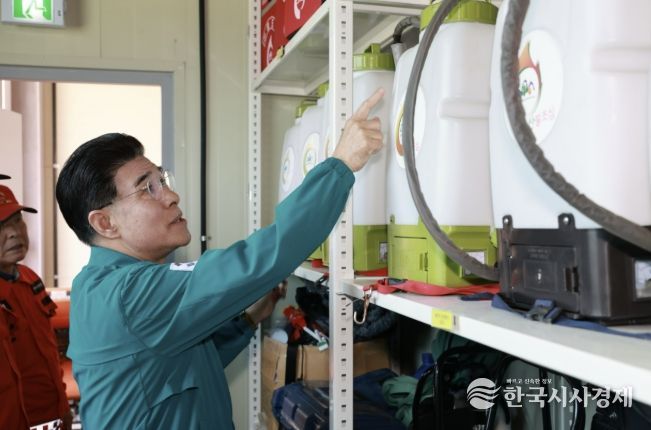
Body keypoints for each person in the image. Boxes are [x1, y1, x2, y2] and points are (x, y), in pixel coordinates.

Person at [54, 88, 385, 428]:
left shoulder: (97, 286)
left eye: (162, 180)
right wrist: (341, 165)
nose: (171, 195)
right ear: (105, 223)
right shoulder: (129, 295)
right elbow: (259, 258)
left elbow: (182, 367)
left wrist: (247, 320)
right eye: (148, 188)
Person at [0, 181, 72, 430]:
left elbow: (48, 350)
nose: (14, 232)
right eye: (1, 226)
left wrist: (63, 407)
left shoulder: (30, 279)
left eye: (17, 220)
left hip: (52, 416)